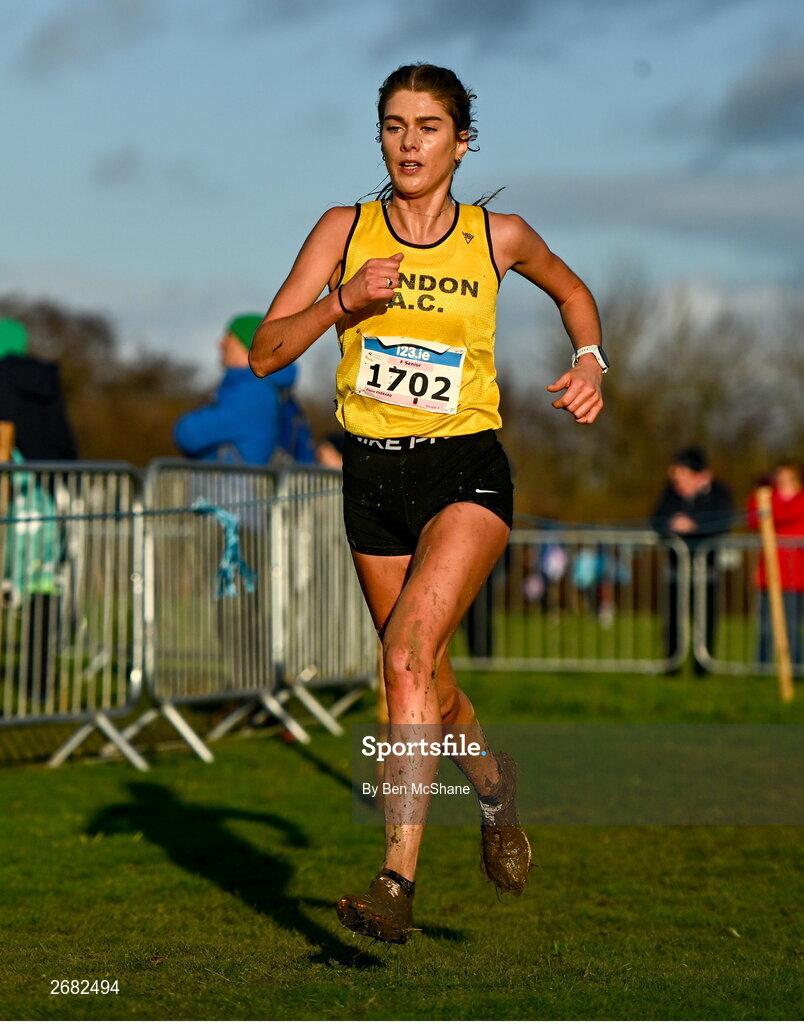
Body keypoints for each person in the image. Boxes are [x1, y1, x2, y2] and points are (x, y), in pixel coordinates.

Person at [249, 63, 605, 944]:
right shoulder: (345, 229)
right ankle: (493, 788)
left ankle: (394, 880)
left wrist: (592, 360)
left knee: (404, 657)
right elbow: (264, 352)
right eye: (395, 126)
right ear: (380, 135)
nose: (410, 143)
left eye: (429, 127)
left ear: (461, 141)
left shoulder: (499, 236)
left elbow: (570, 289)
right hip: (371, 480)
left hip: (464, 472)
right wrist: (344, 299)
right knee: (431, 682)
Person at [173, 313, 314, 465]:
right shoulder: (258, 387)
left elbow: (189, 435)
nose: (221, 343)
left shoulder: (252, 392)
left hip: (234, 486)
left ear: (247, 344)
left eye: (229, 336)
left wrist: (187, 422)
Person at [650, 446, 734, 674]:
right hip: (676, 568)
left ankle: (703, 667)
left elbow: (724, 521)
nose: (677, 479)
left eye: (681, 473)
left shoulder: (718, 492)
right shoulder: (671, 492)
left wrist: (694, 524)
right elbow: (655, 519)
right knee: (673, 618)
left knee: (705, 618)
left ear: (698, 474)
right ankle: (672, 665)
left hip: (705, 569)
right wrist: (670, 524)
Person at [746, 461, 804, 667]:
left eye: (786, 477)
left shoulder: (799, 500)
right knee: (764, 625)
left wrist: (771, 512)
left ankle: (795, 666)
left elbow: (790, 518)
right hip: (768, 571)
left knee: (792, 624)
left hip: (795, 574)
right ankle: (762, 666)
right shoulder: (766, 498)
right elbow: (754, 518)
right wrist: (762, 494)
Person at [0, 318, 77, 461]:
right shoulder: (45, 379)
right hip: (51, 471)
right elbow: (62, 435)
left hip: (14, 474)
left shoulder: (3, 379)